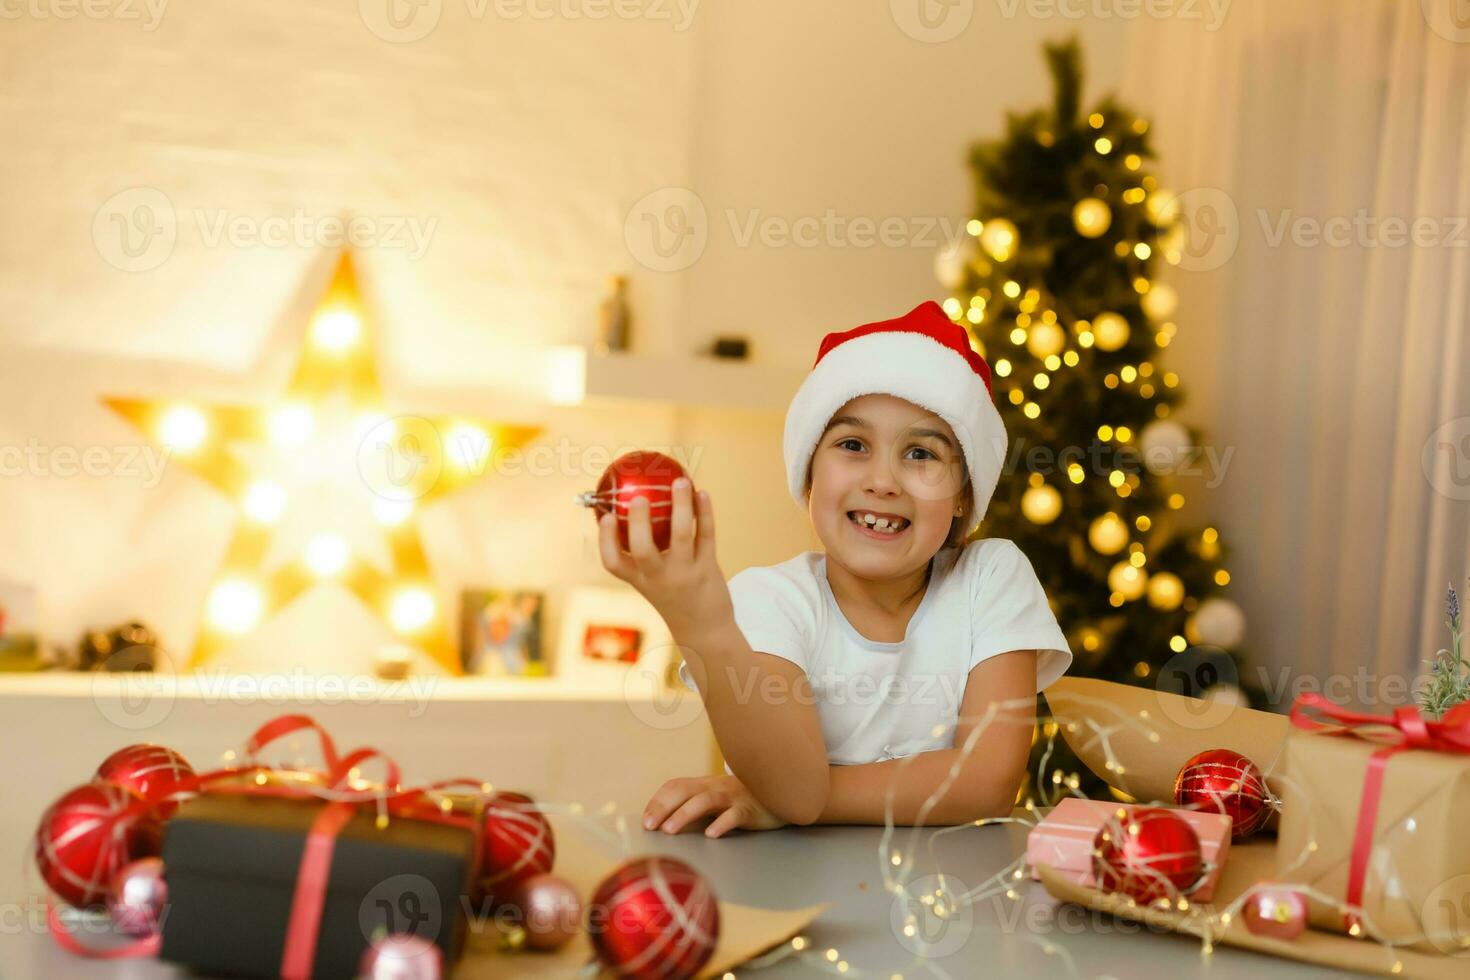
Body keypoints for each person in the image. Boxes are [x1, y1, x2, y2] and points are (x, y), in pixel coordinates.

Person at [595, 301, 1072, 837]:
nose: (883, 481)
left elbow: (986, 782)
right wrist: (703, 628)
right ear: (809, 477)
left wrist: (785, 799)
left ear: (963, 495)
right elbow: (797, 788)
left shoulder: (992, 578)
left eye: (921, 454)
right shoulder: (768, 600)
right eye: (852, 445)